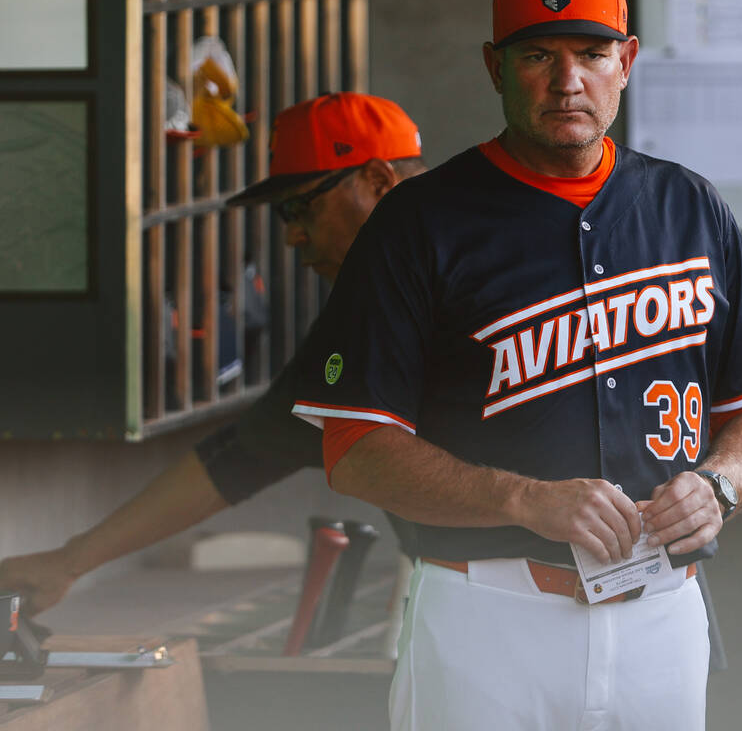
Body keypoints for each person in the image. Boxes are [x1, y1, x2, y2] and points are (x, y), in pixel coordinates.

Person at [288, 0, 742, 731]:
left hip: (661, 612)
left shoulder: (691, 208)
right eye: (537, 55)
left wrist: (720, 485)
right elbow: (354, 451)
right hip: (488, 614)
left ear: (625, 62)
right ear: (495, 67)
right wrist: (520, 497)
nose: (567, 80)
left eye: (591, 54)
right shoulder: (420, 224)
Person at [0, 92, 426, 616]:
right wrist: (66, 563)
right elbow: (238, 458)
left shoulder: (495, 271)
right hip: (454, 593)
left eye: (301, 207)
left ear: (379, 183)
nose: (292, 235)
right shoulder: (358, 321)